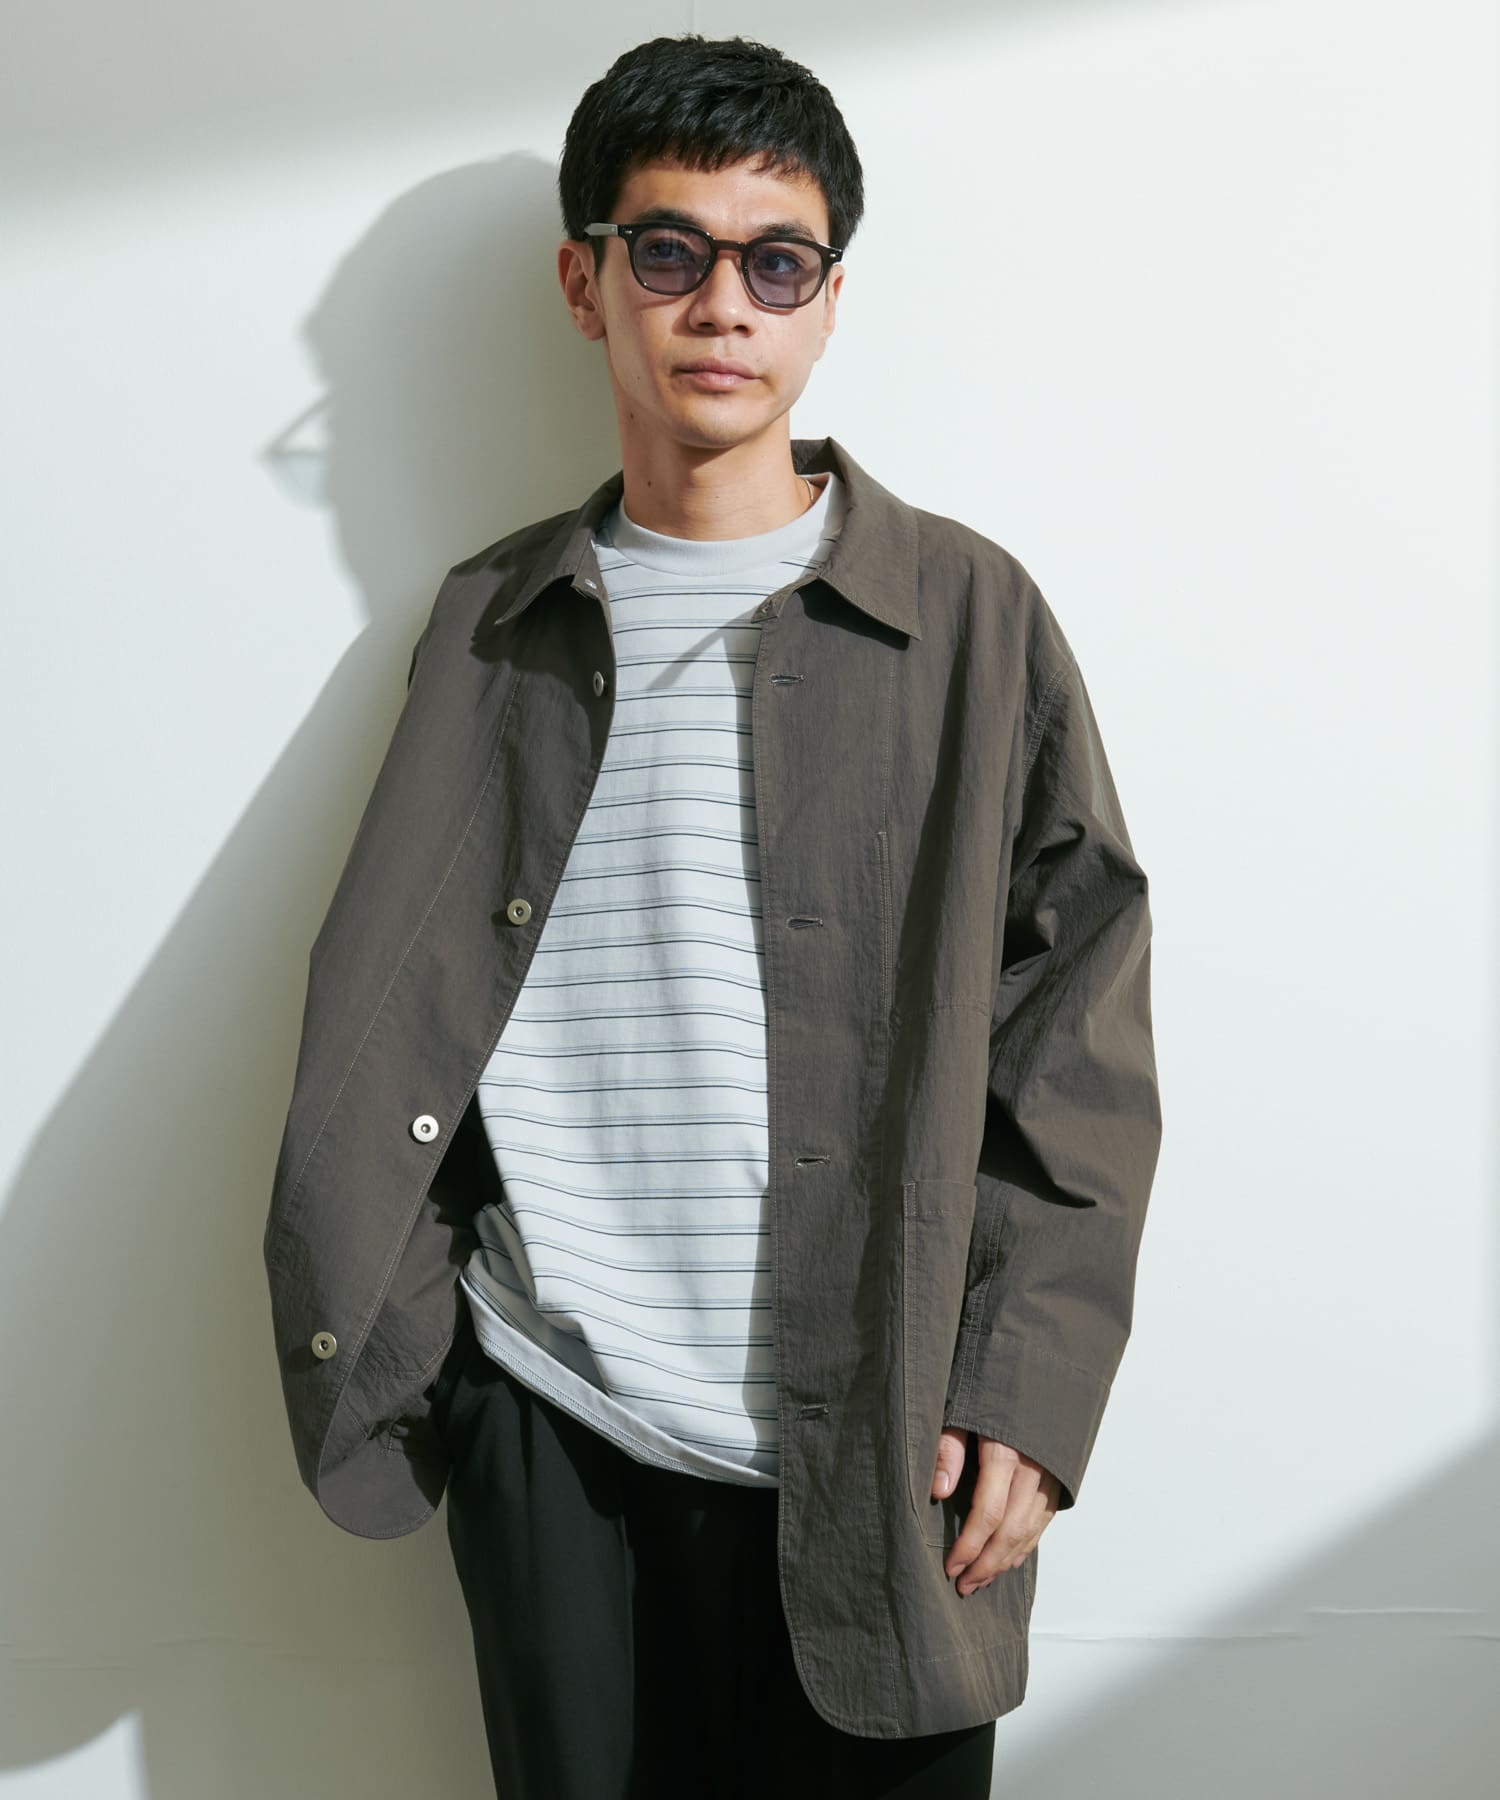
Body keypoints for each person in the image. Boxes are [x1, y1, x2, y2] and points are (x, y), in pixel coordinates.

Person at [262, 31, 1163, 1800]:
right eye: (669, 251)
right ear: (585, 283)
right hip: (554, 1420)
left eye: (777, 263)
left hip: (886, 1437)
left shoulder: (969, 620)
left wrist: (1031, 1384)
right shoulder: (489, 623)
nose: (723, 306)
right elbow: (399, 999)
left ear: (829, 301)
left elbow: (1081, 1024)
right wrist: (453, 1369)